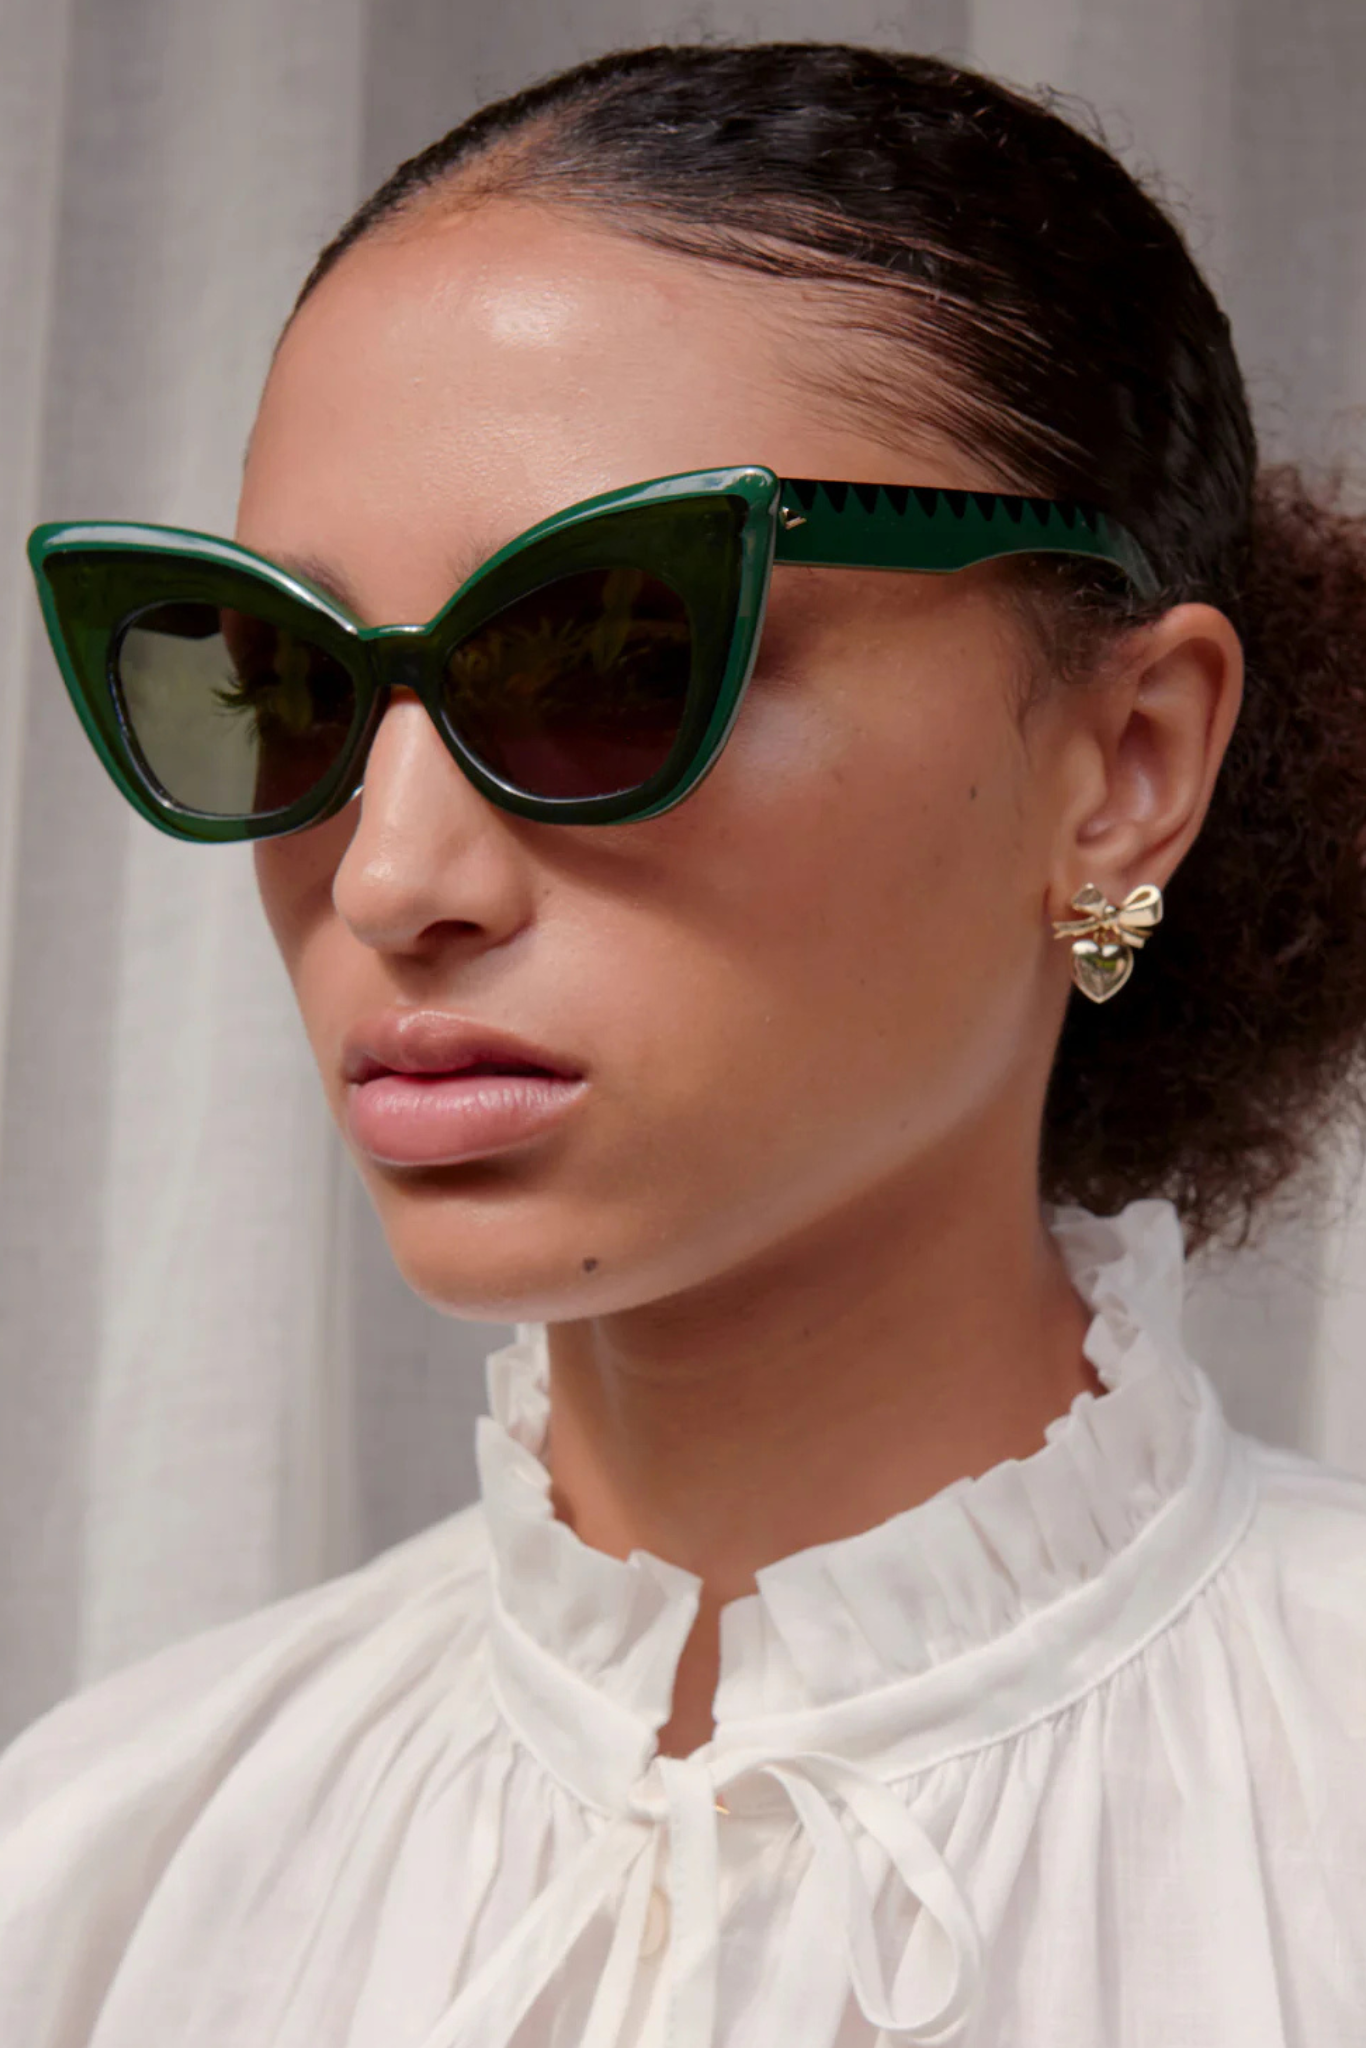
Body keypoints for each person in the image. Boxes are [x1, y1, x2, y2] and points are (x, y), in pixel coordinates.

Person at [3, 36, 1365, 2047]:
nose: (389, 875)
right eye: (279, 679)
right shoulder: (99, 1879)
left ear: (1121, 761)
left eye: (605, 651)